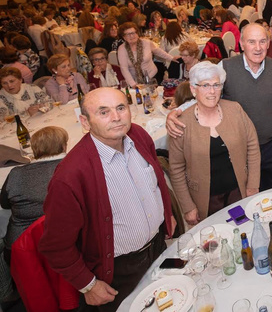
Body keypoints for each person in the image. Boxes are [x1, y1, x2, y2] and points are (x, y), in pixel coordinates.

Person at [38, 88, 175, 311]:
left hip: (159, 246)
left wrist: (166, 214)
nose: (116, 117)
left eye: (121, 108)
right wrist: (88, 285)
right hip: (120, 270)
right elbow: (55, 246)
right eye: (103, 112)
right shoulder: (70, 176)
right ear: (85, 122)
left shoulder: (138, 135)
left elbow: (156, 182)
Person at [166, 23, 272, 191]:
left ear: (268, 43)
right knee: (245, 199)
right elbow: (207, 94)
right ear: (241, 44)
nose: (258, 48)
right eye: (251, 42)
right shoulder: (226, 67)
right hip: (238, 149)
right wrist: (178, 112)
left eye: (262, 41)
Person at [168, 62, 260, 225]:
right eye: (205, 85)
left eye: (216, 85)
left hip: (238, 193)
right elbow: (176, 168)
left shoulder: (235, 110)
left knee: (242, 231)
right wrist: (188, 206)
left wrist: (253, 184)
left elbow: (252, 146)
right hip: (205, 200)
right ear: (193, 89)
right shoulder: (181, 123)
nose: (212, 91)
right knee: (215, 240)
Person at [1, 126, 68, 262]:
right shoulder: (71, 168)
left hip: (20, 251)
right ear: (63, 146)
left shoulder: (15, 174)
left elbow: (4, 204)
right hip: (66, 245)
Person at [116, 22, 175, 87]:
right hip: (134, 80)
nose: (131, 36)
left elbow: (158, 51)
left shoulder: (146, 43)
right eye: (128, 34)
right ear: (124, 37)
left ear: (137, 33)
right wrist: (133, 84)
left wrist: (171, 58)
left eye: (133, 33)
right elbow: (124, 68)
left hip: (152, 76)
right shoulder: (122, 49)